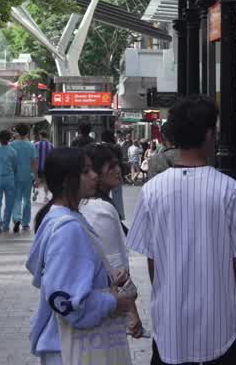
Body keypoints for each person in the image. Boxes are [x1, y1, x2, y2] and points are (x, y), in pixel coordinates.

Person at [126, 96, 236, 365]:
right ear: (210, 134)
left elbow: (152, 261)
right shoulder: (230, 190)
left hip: (170, 330)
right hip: (222, 329)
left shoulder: (152, 191)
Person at [27, 147, 137, 365]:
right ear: (68, 180)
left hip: (64, 346)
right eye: (85, 171)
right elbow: (67, 301)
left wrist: (108, 278)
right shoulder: (68, 228)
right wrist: (114, 302)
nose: (94, 175)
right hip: (71, 349)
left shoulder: (60, 218)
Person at [84, 143, 146, 339]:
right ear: (95, 172)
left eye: (118, 164)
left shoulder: (90, 204)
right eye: (111, 166)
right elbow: (114, 264)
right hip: (106, 304)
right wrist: (132, 312)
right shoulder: (100, 210)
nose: (118, 170)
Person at [0, 130, 19, 235]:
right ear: (9, 138)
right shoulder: (13, 151)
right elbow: (15, 167)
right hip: (10, 179)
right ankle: (5, 225)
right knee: (9, 204)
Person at [11, 123, 40, 233]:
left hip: (15, 175)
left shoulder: (12, 145)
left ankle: (17, 218)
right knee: (27, 199)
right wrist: (36, 178)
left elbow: (10, 161)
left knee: (17, 199)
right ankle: (26, 223)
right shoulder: (31, 146)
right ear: (27, 132)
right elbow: (34, 163)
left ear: (17, 132)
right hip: (28, 175)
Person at [34, 129, 54, 200]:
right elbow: (53, 157)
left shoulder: (36, 145)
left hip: (38, 166)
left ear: (40, 136)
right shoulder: (51, 145)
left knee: (37, 180)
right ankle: (45, 196)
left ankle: (36, 191)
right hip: (47, 167)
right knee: (46, 182)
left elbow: (33, 156)